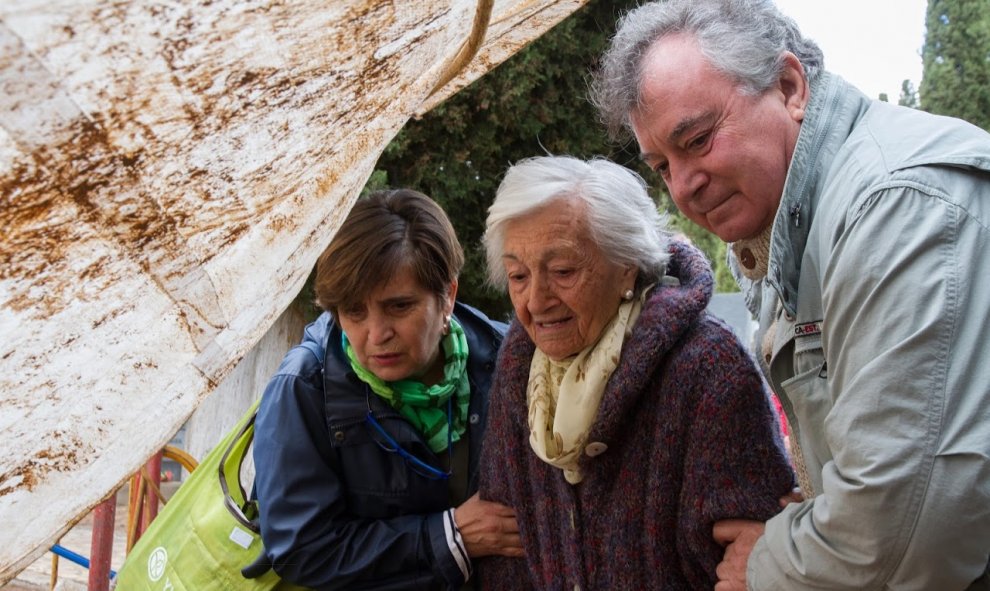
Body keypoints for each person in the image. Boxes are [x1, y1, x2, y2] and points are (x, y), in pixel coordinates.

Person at [592, 1, 990, 589]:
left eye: (698, 139)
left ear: (789, 86)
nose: (684, 187)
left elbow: (909, 528)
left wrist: (766, 563)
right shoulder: (788, 231)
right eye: (661, 167)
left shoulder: (896, 208)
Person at [476, 155, 795, 590]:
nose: (535, 300)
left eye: (563, 271)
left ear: (626, 265)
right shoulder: (520, 371)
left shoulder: (706, 367)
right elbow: (505, 557)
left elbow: (751, 559)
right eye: (517, 275)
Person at [252, 189, 522, 590]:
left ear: (447, 295)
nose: (377, 335)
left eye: (399, 307)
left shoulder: (511, 361)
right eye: (355, 312)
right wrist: (449, 537)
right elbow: (302, 549)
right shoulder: (304, 388)